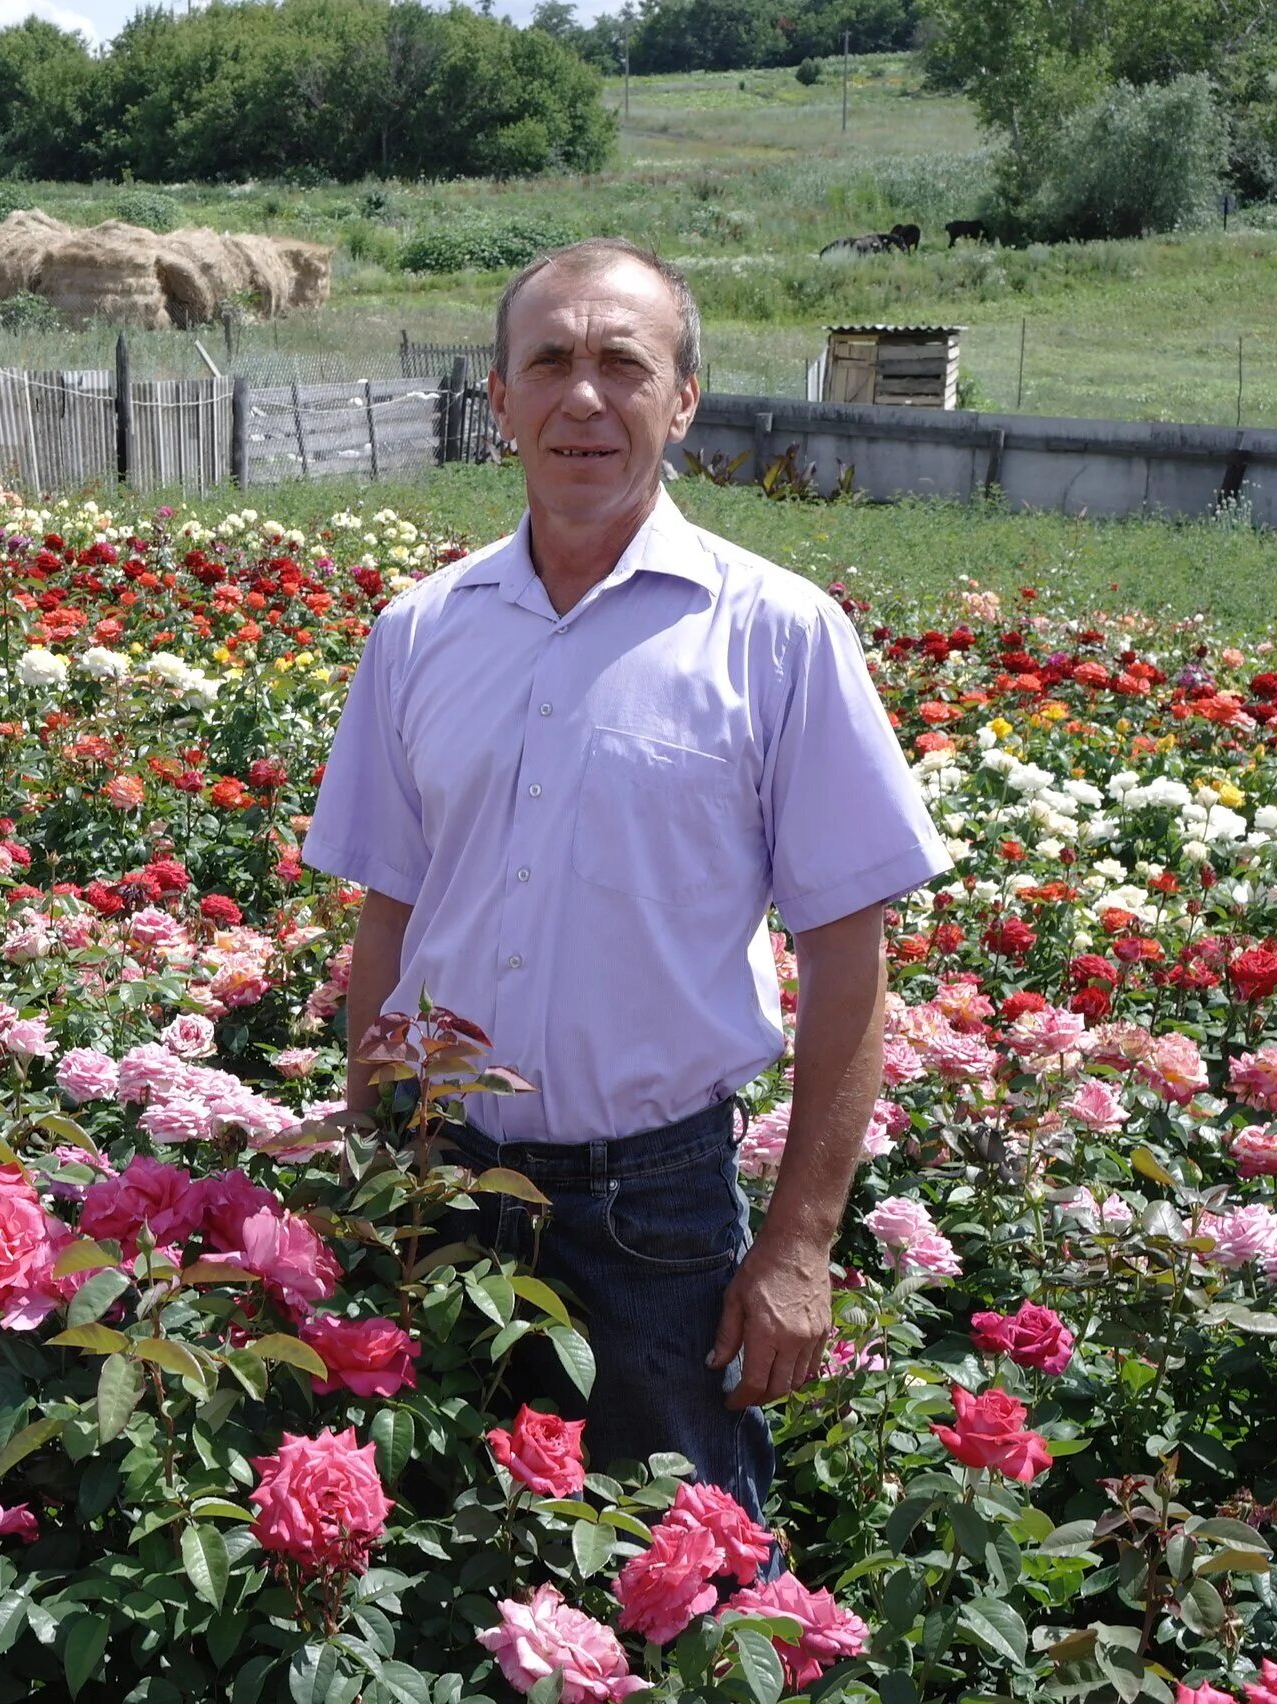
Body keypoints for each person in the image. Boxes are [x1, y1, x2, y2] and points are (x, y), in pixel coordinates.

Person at [303, 239, 948, 1518]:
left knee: (686, 1564)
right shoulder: (422, 631)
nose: (582, 398)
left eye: (622, 364)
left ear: (684, 397)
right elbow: (390, 910)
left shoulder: (775, 633)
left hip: (656, 1215)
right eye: (548, 361)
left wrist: (800, 1241)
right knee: (436, 1559)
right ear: (498, 398)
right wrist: (368, 1167)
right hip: (444, 1186)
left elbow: (846, 964)